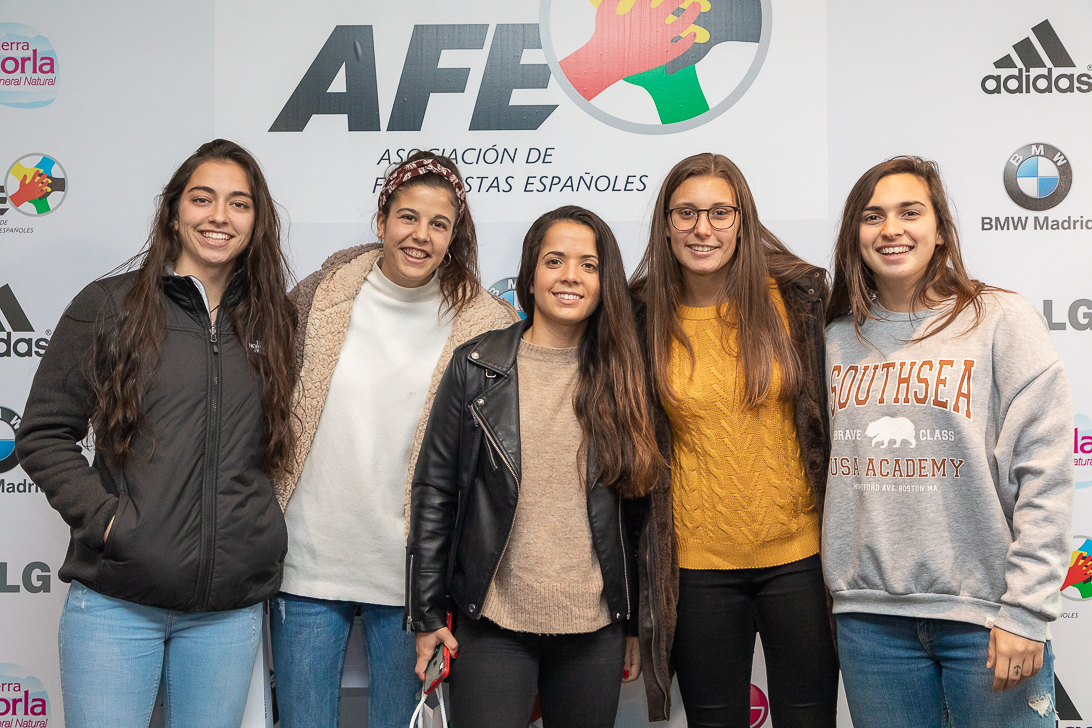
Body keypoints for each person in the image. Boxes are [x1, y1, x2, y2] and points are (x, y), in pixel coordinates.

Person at [15, 139, 297, 727]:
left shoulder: (274, 319)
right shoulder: (110, 305)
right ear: (173, 211)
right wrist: (110, 522)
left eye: (239, 203)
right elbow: (42, 432)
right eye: (202, 198)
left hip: (227, 611)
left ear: (257, 220)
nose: (219, 216)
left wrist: (255, 534)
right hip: (117, 603)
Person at [270, 151, 518, 727]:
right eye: (408, 217)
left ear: (455, 236)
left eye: (439, 224)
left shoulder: (487, 324)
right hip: (306, 560)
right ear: (382, 221)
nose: (421, 236)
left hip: (411, 578)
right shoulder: (324, 293)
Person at [824, 156, 1073, 727]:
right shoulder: (837, 338)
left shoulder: (999, 321)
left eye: (910, 212)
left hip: (987, 618)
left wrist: (1027, 612)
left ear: (939, 230)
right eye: (872, 216)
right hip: (869, 624)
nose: (891, 229)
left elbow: (1047, 474)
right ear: (853, 234)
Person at [407, 206, 662, 728]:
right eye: (554, 260)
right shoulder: (477, 366)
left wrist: (636, 623)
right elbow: (435, 490)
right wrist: (427, 614)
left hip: (595, 628)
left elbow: (639, 511)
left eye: (588, 265)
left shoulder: (627, 374)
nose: (570, 275)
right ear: (529, 275)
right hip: (491, 623)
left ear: (604, 280)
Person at [630, 152, 838, 726]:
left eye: (721, 212)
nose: (704, 229)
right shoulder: (639, 313)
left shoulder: (797, 298)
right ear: (665, 222)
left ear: (743, 218)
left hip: (800, 556)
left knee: (809, 717)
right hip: (696, 570)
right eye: (687, 213)